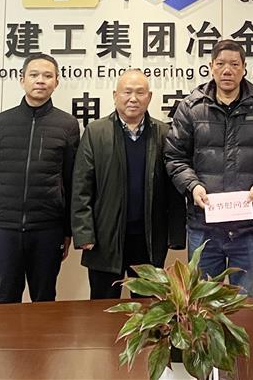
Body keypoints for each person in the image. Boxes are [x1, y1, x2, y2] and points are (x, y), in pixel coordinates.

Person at [165, 39, 253, 298]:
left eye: (234, 64)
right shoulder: (191, 107)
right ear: (211, 66)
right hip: (203, 228)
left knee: (248, 308)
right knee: (200, 307)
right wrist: (193, 186)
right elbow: (174, 156)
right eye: (221, 64)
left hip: (249, 229)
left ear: (244, 68)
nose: (227, 70)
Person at [71, 69, 186, 299]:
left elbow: (174, 190)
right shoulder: (96, 132)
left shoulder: (164, 133)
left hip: (149, 238)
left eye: (140, 93)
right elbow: (81, 186)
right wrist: (84, 233)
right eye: (127, 92)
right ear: (115, 95)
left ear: (149, 97)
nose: (133, 98)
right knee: (102, 307)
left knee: (148, 308)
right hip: (105, 238)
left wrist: (175, 234)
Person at [0, 53, 81, 304]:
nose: (40, 80)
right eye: (34, 75)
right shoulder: (1, 123)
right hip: (5, 227)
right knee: (6, 298)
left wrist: (67, 231)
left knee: (44, 299)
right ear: (22, 79)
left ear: (56, 82)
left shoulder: (67, 124)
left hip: (48, 228)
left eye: (48, 76)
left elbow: (71, 180)